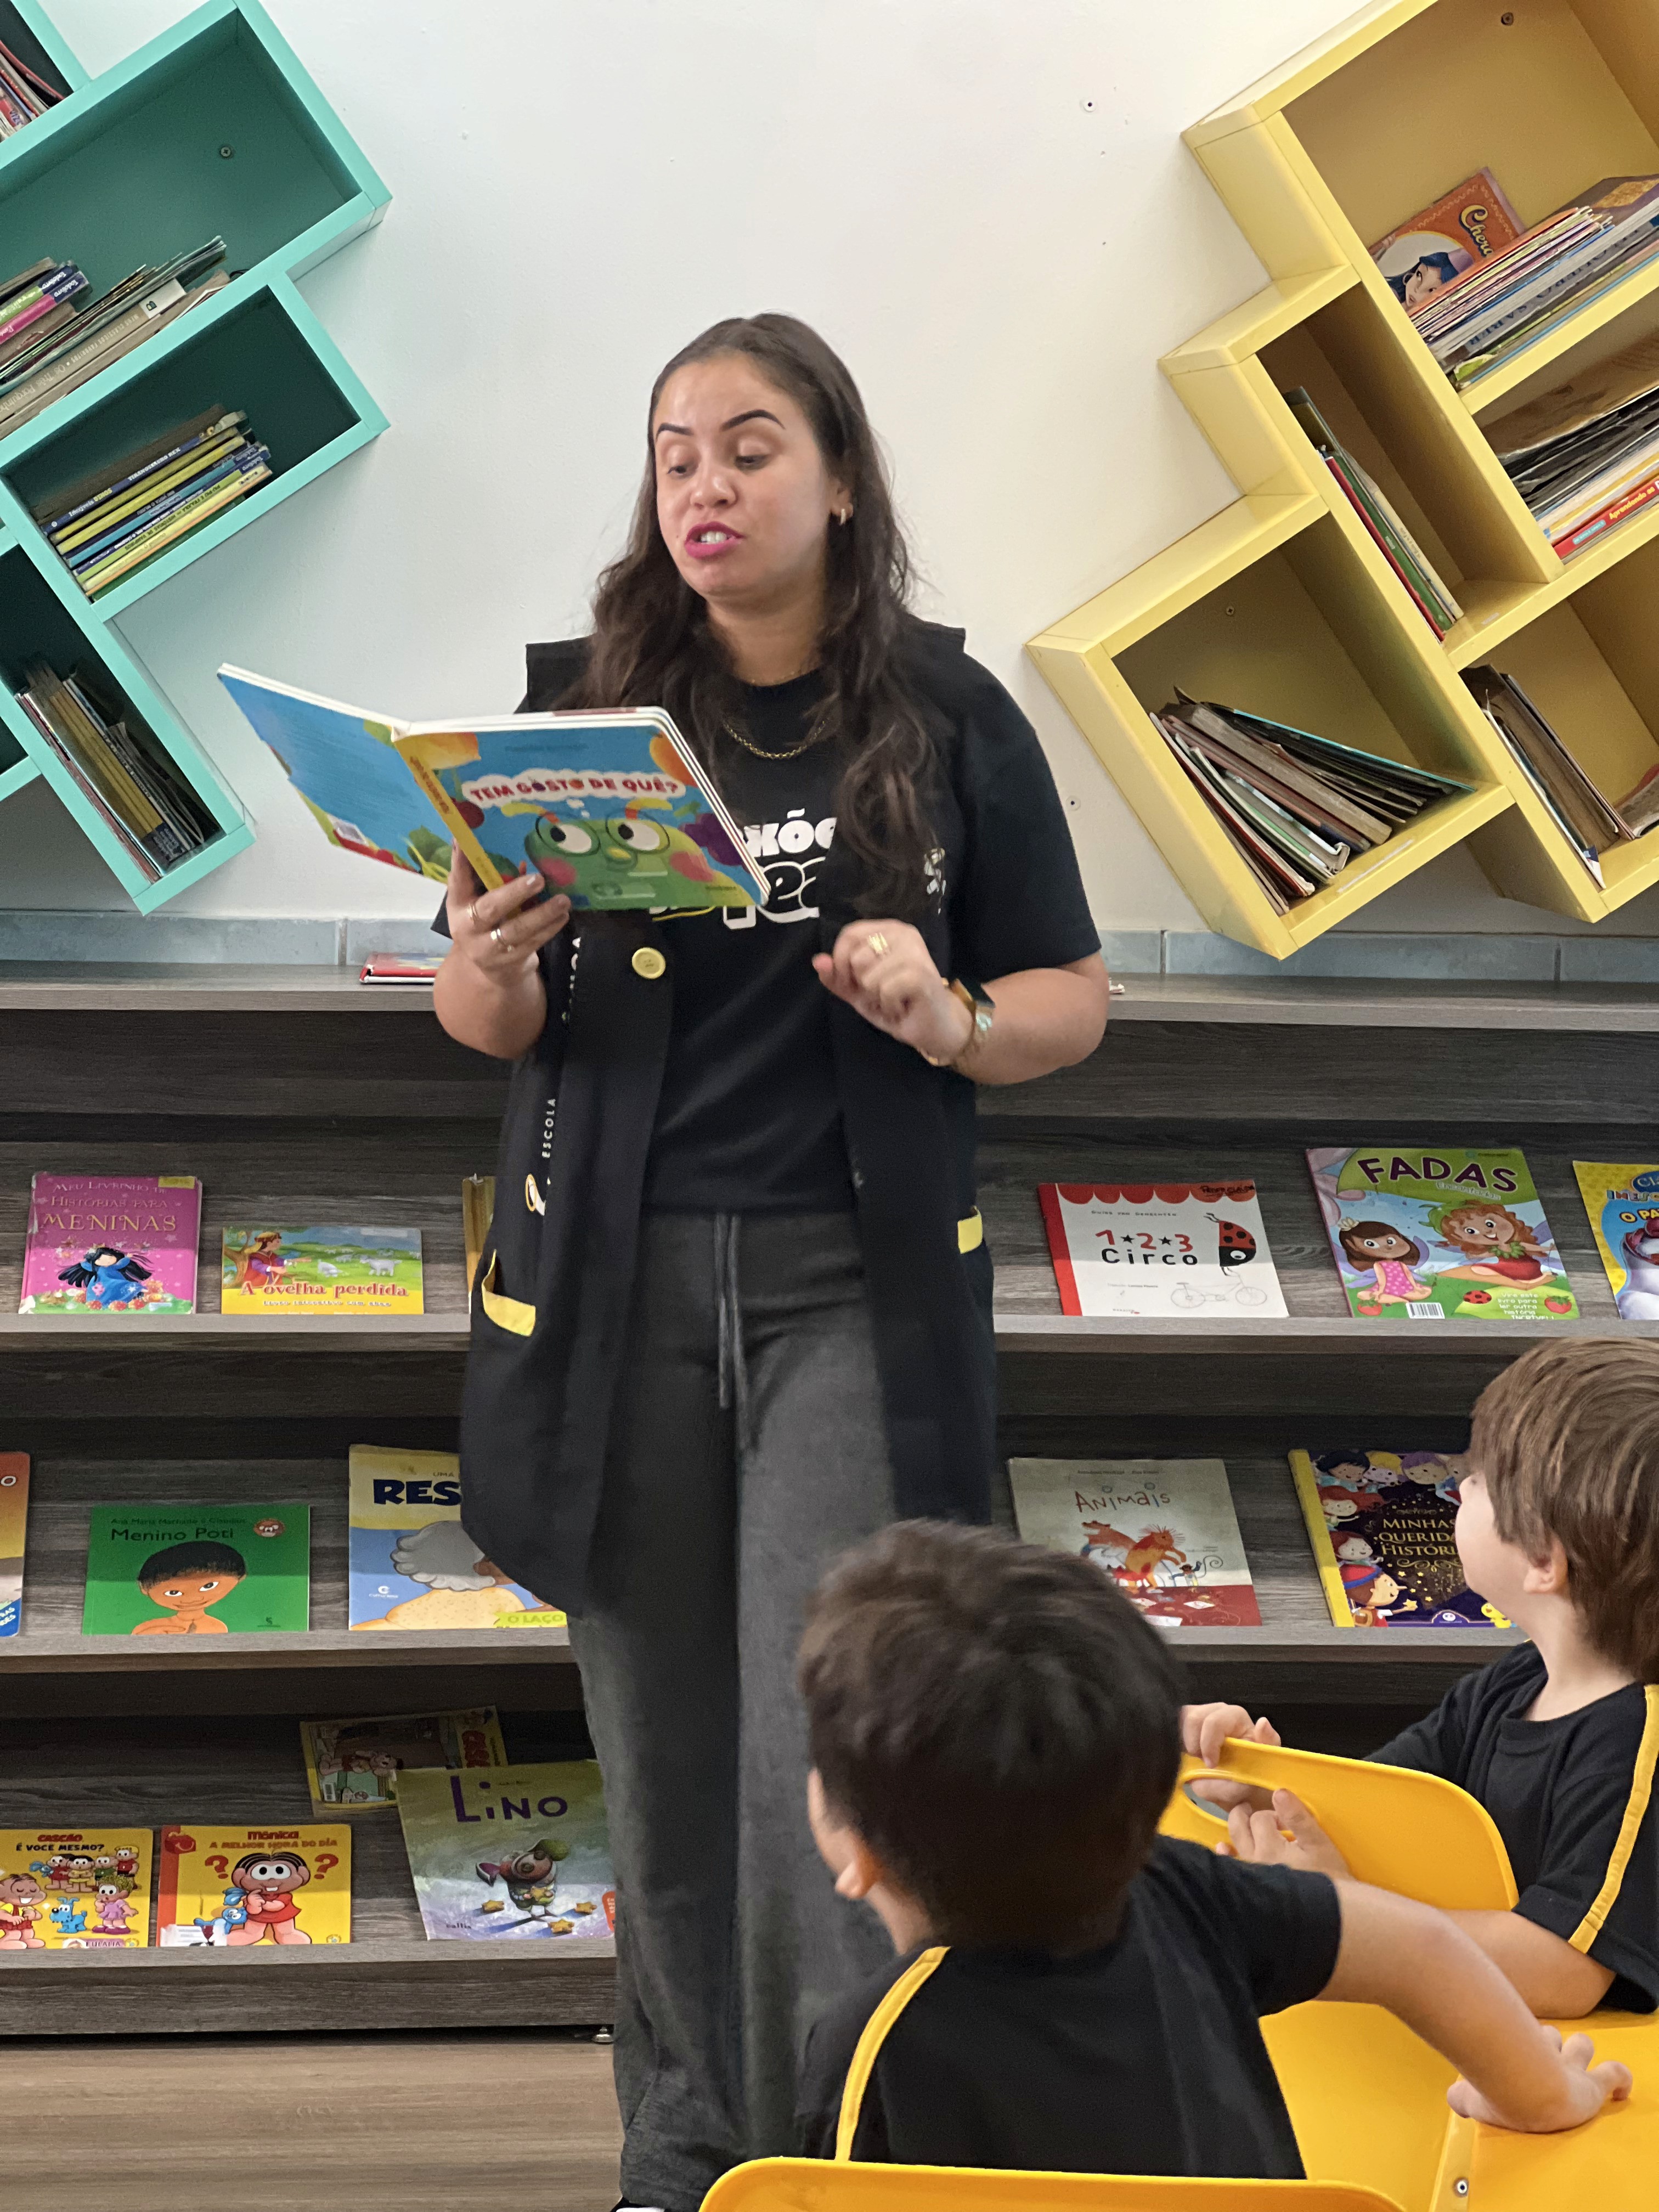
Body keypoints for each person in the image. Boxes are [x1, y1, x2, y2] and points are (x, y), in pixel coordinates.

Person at [431, 312, 1109, 2210]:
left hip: (844, 1286)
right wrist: (480, 969)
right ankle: (682, 2153)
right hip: (614, 1289)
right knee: (653, 1748)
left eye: (746, 446)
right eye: (674, 454)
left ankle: (838, 2153)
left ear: (836, 479)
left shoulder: (953, 717)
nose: (705, 485)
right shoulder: (571, 719)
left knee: (824, 1745)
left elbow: (1070, 1004)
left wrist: (951, 1014)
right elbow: (490, 1020)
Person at [793, 1519, 1630, 2174]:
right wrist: (1544, 2095)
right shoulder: (1189, 1893)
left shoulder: (868, 2041)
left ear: (857, 1849)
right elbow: (1423, 1949)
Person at [1185, 1338, 1659, 2018]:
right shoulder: (1515, 1683)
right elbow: (1368, 1819)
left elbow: (1561, 1971)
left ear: (1542, 1560)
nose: (1459, 1486)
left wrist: (1345, 1923)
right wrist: (1255, 1783)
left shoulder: (1635, 1740)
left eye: (1482, 1479)